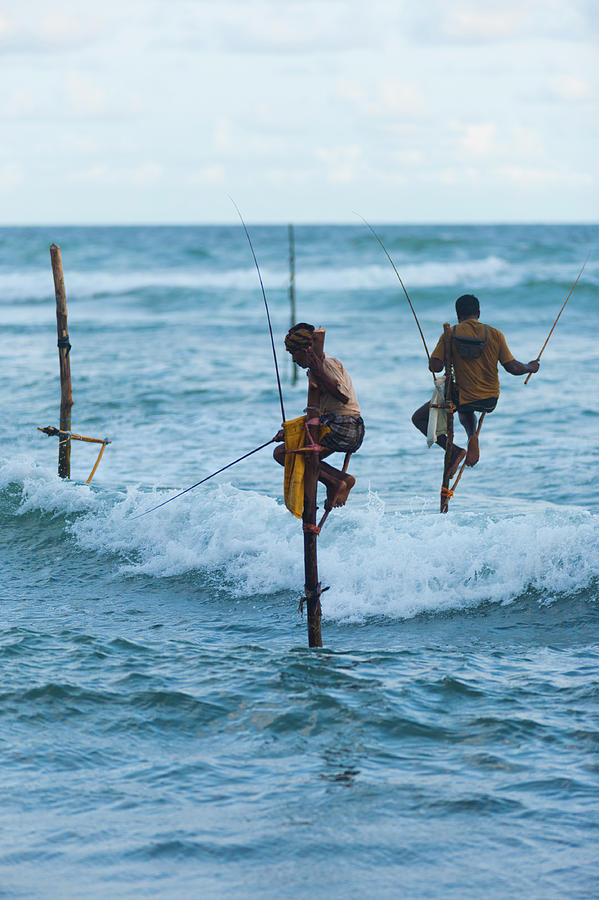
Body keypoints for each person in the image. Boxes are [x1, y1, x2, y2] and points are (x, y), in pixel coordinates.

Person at [412, 294, 540, 474]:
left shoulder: (450, 334)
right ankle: (472, 436)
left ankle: (454, 450)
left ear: (458, 315)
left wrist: (438, 357)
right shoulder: (495, 334)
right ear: (478, 313)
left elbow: (436, 367)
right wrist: (531, 367)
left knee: (419, 418)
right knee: (465, 404)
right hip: (490, 399)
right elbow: (512, 367)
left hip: (463, 398)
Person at [273, 323, 364, 508]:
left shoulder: (326, 364)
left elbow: (343, 397)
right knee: (298, 453)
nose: (293, 360)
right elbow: (317, 416)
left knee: (283, 453)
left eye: (294, 354)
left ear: (306, 350)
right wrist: (288, 432)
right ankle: (339, 480)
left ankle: (335, 481)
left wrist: (319, 371)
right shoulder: (316, 369)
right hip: (339, 426)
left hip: (344, 427)